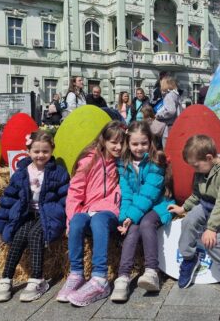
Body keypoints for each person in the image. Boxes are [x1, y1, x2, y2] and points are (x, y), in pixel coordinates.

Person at [0, 131, 70, 302]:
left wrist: (67, 220)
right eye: (36, 151)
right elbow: (8, 199)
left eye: (45, 151)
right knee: (18, 236)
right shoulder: (21, 173)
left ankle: (37, 279)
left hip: (48, 213)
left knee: (35, 235)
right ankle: (6, 278)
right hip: (27, 214)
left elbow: (66, 198)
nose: (41, 155)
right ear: (28, 151)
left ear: (52, 150)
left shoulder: (58, 173)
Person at [57, 121, 125, 307]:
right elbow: (75, 192)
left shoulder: (122, 163)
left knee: (99, 220)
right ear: (103, 140)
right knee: (78, 220)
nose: (118, 147)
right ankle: (77, 274)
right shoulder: (88, 161)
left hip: (110, 212)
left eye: (121, 143)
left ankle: (100, 278)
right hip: (88, 210)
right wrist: (71, 219)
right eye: (114, 142)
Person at [167, 135, 220, 296]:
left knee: (210, 241)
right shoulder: (203, 169)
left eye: (196, 166)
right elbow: (196, 194)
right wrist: (184, 208)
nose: (194, 170)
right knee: (188, 221)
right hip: (206, 205)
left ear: (209, 158)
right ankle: (189, 259)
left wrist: (212, 228)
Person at [110, 121, 175, 302]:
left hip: (159, 204)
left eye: (143, 143)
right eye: (135, 144)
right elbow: (127, 193)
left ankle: (151, 271)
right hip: (137, 207)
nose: (139, 148)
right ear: (128, 144)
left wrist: (132, 216)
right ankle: (122, 277)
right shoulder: (123, 164)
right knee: (132, 229)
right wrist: (125, 218)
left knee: (145, 223)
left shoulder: (156, 161)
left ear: (150, 142)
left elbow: (150, 193)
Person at [155, 76, 182, 147]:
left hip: (169, 127)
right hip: (176, 125)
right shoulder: (176, 95)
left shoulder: (169, 96)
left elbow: (171, 111)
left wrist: (158, 115)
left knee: (167, 150)